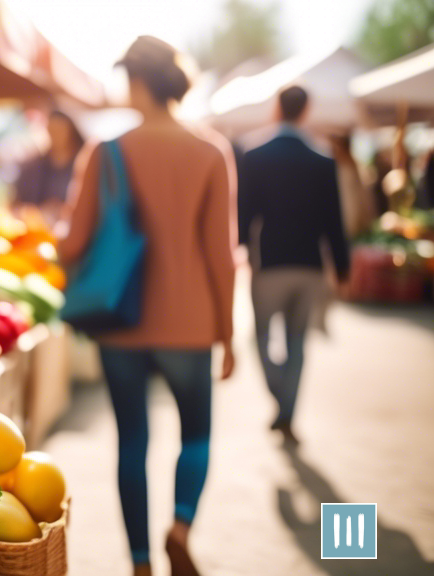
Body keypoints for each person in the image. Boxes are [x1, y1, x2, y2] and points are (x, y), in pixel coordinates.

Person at [58, 36, 236, 576]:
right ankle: (180, 527)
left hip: (121, 323)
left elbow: (73, 245)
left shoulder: (105, 153)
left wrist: (57, 245)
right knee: (197, 434)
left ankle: (139, 565)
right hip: (191, 323)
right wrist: (228, 335)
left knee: (132, 441)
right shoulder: (210, 151)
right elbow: (221, 258)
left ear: (138, 82)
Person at [238, 86, 350, 444]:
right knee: (299, 341)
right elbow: (334, 220)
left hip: (268, 262)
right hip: (309, 265)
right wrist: (343, 266)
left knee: (260, 336)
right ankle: (286, 411)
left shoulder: (255, 156)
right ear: (306, 110)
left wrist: (240, 247)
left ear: (277, 107)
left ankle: (281, 400)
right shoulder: (322, 160)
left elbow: (243, 213)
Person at [14, 110, 86, 222]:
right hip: (37, 229)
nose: (56, 135)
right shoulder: (32, 167)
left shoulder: (84, 164)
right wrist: (36, 212)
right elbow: (16, 205)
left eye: (60, 130)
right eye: (52, 130)